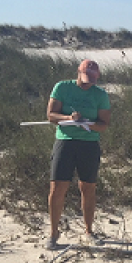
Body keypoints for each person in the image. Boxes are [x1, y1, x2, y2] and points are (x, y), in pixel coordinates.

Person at [45, 59, 111, 250]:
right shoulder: (62, 88)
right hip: (65, 141)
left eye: (91, 79)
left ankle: (89, 231)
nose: (87, 82)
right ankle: (53, 233)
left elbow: (104, 124)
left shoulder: (100, 95)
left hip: (89, 144)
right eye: (85, 78)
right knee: (57, 187)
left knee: (88, 187)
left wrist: (89, 124)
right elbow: (51, 115)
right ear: (78, 72)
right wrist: (69, 119)